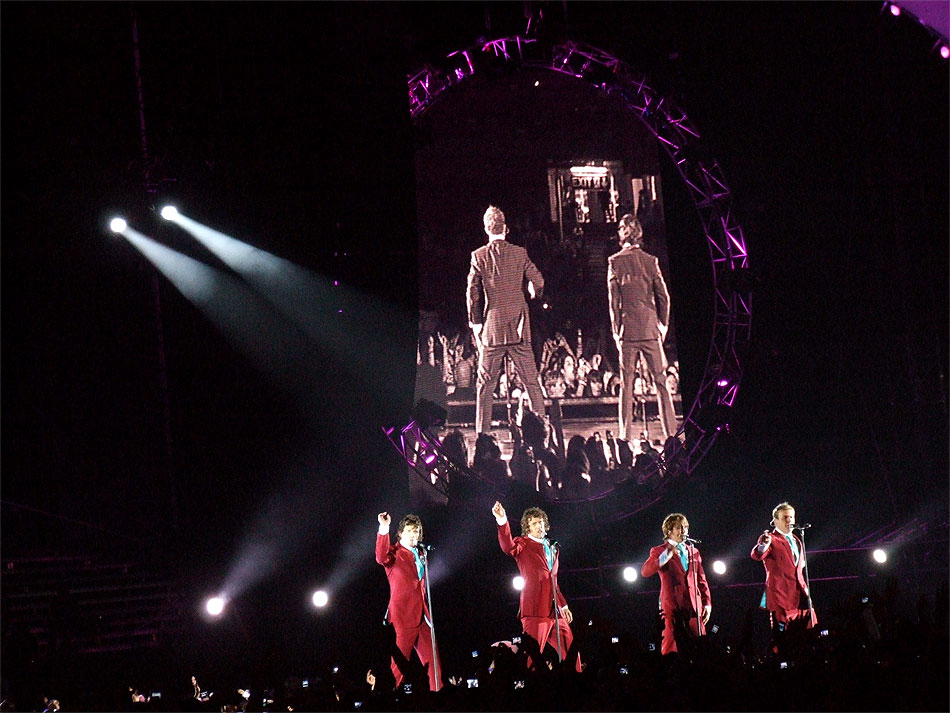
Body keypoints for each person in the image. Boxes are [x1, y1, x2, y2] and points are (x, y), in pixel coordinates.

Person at [467, 206, 546, 434]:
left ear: (486, 229)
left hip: (492, 329)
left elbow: (473, 293)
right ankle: (542, 433)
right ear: (506, 229)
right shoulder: (519, 253)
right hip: (519, 328)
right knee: (531, 383)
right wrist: (533, 290)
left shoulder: (478, 256)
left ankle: (483, 436)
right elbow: (539, 282)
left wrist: (476, 322)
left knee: (485, 387)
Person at [607, 214, 678, 442]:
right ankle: (671, 436)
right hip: (650, 330)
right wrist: (663, 325)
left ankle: (624, 437)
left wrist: (616, 331)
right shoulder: (651, 261)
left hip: (628, 331)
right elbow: (664, 297)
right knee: (661, 384)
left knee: (627, 386)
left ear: (624, 234)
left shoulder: (614, 262)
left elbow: (613, 304)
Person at [491, 501, 582, 671]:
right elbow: (507, 547)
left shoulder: (552, 547)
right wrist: (502, 520)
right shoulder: (523, 543)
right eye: (534, 523)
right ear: (527, 527)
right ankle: (531, 689)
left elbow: (553, 580)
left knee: (570, 648)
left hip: (554, 610)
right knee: (533, 656)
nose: (539, 526)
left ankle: (576, 682)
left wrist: (564, 604)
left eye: (540, 522)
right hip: (535, 610)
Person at [375, 512, 443, 691]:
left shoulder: (421, 553)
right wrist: (384, 528)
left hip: (423, 618)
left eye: (417, 531)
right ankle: (387, 702)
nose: (414, 534)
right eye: (410, 531)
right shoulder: (394, 553)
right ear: (401, 533)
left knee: (434, 667)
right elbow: (380, 557)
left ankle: (440, 701)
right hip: (403, 619)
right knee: (398, 669)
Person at [641, 513, 711, 656]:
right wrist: (665, 557)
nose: (684, 531)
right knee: (672, 646)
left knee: (700, 648)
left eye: (685, 527)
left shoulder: (693, 551)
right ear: (669, 531)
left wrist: (707, 603)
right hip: (673, 607)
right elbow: (645, 572)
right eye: (679, 528)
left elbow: (701, 579)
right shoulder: (659, 550)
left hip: (694, 606)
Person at [751, 502, 817, 652]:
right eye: (785, 518)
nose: (789, 521)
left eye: (791, 517)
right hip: (780, 596)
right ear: (775, 520)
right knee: (783, 638)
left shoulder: (797, 539)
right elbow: (757, 554)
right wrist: (763, 544)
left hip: (800, 595)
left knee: (810, 630)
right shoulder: (771, 539)